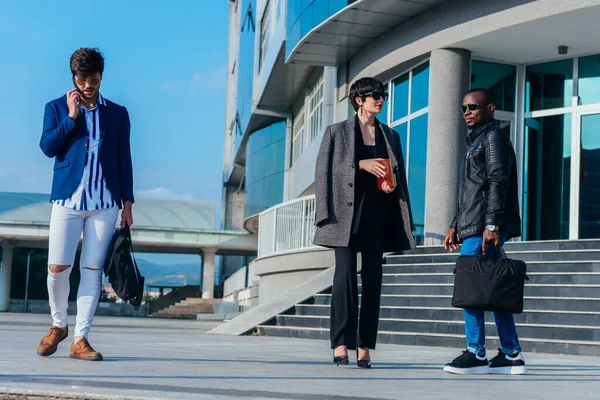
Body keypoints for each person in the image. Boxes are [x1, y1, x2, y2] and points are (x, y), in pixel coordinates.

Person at [37, 47, 134, 361]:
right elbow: (48, 148)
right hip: (67, 199)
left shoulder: (117, 113)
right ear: (73, 78)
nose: (88, 85)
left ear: (101, 76)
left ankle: (80, 338)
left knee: (92, 270)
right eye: (82, 78)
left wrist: (128, 203)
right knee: (57, 268)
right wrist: (71, 117)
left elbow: (124, 159)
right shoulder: (55, 107)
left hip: (105, 202)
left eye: (93, 78)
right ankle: (58, 324)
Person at [313, 77, 415, 368]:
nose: (380, 99)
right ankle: (341, 344)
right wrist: (360, 165)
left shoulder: (390, 135)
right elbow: (323, 174)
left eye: (382, 95)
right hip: (344, 219)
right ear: (359, 100)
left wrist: (389, 184)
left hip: (378, 217)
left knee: (373, 282)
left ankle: (365, 346)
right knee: (344, 279)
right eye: (375, 95)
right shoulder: (336, 133)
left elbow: (397, 175)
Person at [443, 88, 525, 375]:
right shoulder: (476, 141)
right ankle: (511, 352)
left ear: (489, 108)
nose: (466, 112)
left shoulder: (492, 138)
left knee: (472, 287)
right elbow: (471, 191)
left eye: (472, 107)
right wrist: (455, 224)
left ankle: (476, 352)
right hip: (475, 224)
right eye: (463, 107)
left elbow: (497, 181)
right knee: (493, 288)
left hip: (485, 226)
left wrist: (492, 224)